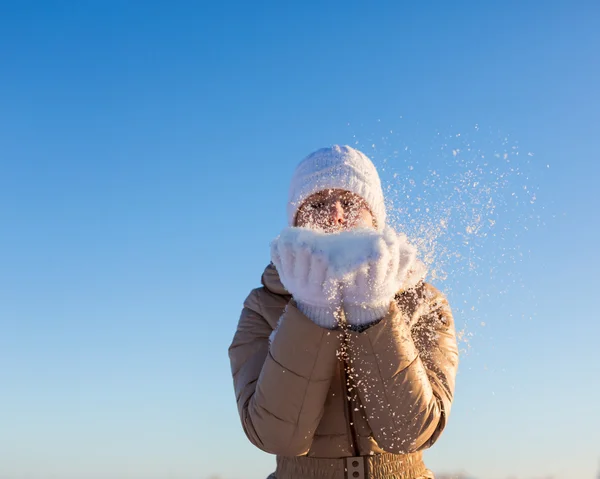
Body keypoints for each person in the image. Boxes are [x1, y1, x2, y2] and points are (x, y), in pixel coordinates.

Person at [228, 145, 459, 479]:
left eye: (350, 202)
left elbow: (411, 433)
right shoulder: (263, 306)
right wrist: (310, 313)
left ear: (375, 219)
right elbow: (276, 435)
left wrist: (375, 312)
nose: (335, 214)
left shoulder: (423, 301)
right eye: (318, 203)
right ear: (296, 220)